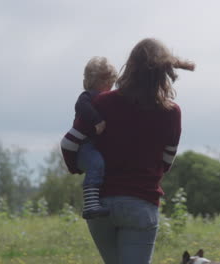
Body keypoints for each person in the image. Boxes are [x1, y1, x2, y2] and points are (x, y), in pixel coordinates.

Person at [78, 38, 194, 264]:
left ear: (129, 66)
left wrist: (81, 165)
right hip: (141, 203)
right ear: (164, 72)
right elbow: (167, 161)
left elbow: (71, 144)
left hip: (100, 205)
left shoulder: (102, 102)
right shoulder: (171, 112)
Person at [60, 56, 119, 219]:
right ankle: (90, 205)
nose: (111, 88)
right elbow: (81, 107)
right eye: (111, 83)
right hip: (83, 145)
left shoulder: (97, 98)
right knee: (96, 164)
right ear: (104, 81)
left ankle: (94, 201)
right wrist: (97, 121)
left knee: (99, 165)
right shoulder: (89, 96)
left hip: (91, 144)